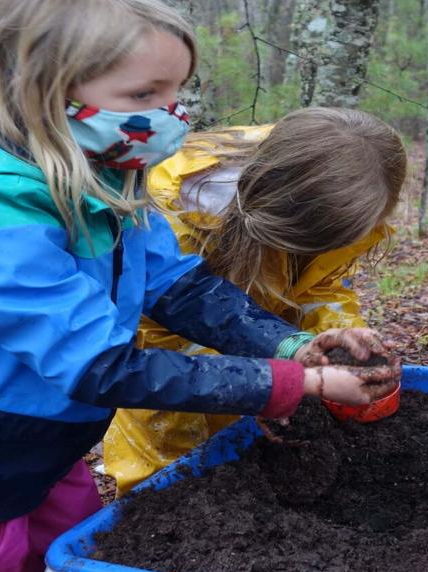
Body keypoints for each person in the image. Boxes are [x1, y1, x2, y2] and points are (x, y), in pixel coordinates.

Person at [0, 0, 397, 572]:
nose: (169, 114)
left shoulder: (101, 171)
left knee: (76, 551)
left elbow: (176, 285)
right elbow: (97, 365)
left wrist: (289, 346)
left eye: (173, 93)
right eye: (144, 96)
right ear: (42, 87)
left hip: (29, 435)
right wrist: (300, 385)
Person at [104, 107, 407, 496]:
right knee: (168, 484)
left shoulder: (355, 188)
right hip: (170, 375)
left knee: (256, 475)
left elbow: (321, 287)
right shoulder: (173, 211)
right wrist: (266, 385)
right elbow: (164, 332)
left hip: (270, 354)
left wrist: (326, 341)